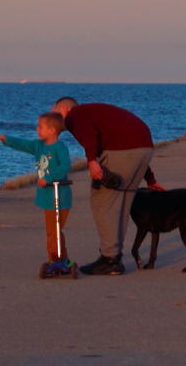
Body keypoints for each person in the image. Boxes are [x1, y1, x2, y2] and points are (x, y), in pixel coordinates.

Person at [52, 97, 160, 275]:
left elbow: (89, 135)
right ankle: (114, 256)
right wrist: (150, 179)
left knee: (103, 201)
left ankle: (109, 259)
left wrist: (92, 161)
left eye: (53, 111)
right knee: (122, 204)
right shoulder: (93, 113)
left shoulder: (74, 115)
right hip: (145, 147)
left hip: (123, 149)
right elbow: (131, 141)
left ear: (64, 109)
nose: (51, 116)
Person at [0, 112, 73, 271]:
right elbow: (23, 144)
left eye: (40, 127)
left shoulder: (59, 147)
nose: (37, 130)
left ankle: (59, 259)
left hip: (60, 196)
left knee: (54, 231)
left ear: (52, 130)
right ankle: (58, 259)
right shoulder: (38, 146)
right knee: (52, 231)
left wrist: (49, 178)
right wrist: (4, 139)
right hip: (47, 197)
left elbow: (65, 166)